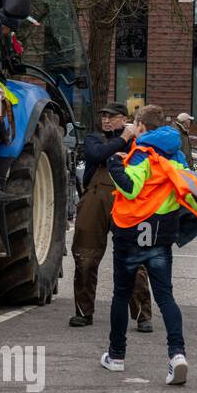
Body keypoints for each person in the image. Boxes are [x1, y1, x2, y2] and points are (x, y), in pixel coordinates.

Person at [102, 104, 197, 385]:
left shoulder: (140, 155)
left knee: (120, 295)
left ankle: (116, 356)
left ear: (140, 126)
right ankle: (177, 355)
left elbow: (130, 187)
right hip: (160, 239)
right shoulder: (175, 159)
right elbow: (194, 192)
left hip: (129, 237)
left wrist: (114, 163)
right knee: (165, 298)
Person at [70, 102, 153, 331]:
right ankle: (83, 312)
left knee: (133, 259)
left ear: (124, 118)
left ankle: (142, 315)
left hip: (127, 200)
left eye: (112, 116)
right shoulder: (94, 139)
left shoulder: (140, 140)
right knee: (85, 257)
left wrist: (128, 140)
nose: (106, 120)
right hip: (94, 198)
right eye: (103, 116)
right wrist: (123, 140)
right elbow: (96, 154)